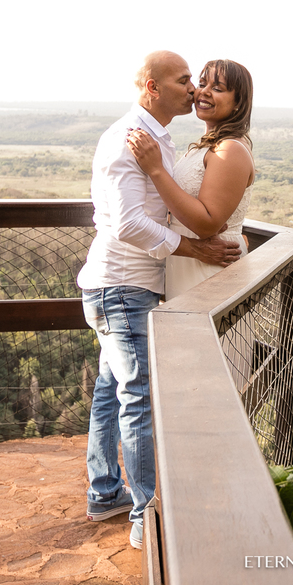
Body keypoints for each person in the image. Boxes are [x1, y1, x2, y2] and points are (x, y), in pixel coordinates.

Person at [77, 50, 242, 551]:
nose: (193, 89)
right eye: (184, 80)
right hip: (122, 286)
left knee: (112, 389)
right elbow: (126, 223)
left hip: (125, 284)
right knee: (139, 397)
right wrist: (194, 248)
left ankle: (105, 492)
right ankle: (145, 517)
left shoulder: (159, 138)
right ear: (152, 87)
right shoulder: (130, 138)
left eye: (199, 81)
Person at [125, 58, 255, 299]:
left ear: (238, 102)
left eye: (218, 88)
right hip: (190, 262)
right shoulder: (207, 146)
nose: (203, 92)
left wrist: (156, 170)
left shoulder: (230, 149)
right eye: (203, 83)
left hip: (211, 266)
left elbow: (206, 224)